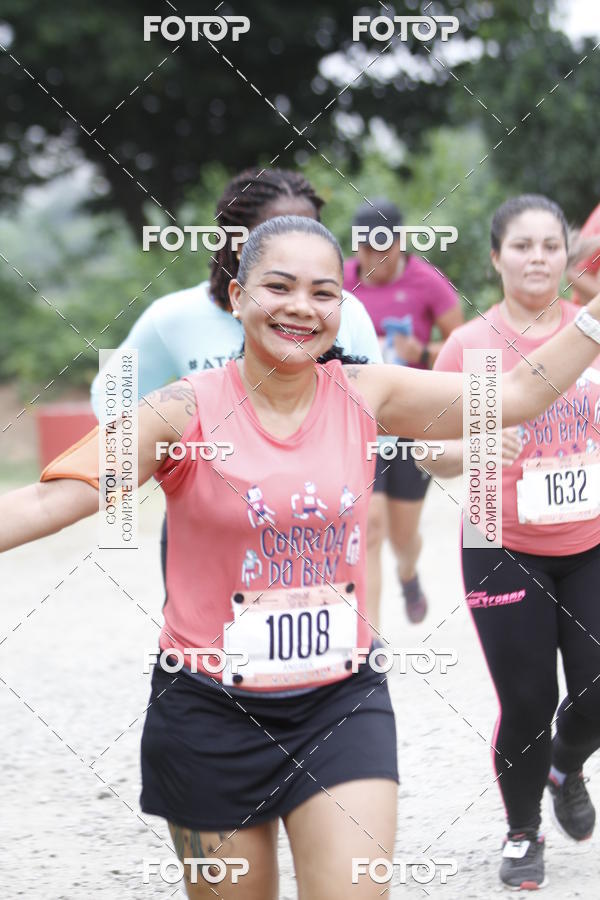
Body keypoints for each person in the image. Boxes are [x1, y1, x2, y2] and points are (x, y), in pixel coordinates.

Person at [3, 216, 600, 899]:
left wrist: (594, 314)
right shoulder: (180, 412)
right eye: (278, 287)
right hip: (208, 712)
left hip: (340, 706)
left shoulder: (368, 392)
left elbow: (519, 395)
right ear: (236, 297)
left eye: (322, 292)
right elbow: (48, 503)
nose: (301, 307)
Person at [90, 168, 382, 583]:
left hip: (317, 520)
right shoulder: (175, 317)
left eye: (306, 229)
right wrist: (167, 456)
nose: (292, 242)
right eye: (272, 230)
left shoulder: (341, 314)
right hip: (206, 526)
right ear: (233, 239)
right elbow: (111, 391)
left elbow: (380, 421)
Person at [430, 195, 600, 890]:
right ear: (495, 257)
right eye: (521, 246)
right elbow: (426, 452)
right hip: (498, 540)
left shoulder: (591, 334)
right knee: (526, 699)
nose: (537, 258)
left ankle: (566, 765)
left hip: (591, 536)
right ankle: (522, 830)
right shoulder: (470, 346)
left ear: (569, 257)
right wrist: (470, 444)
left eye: (550, 246)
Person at [343, 199, 463, 628]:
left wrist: (422, 352)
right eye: (366, 248)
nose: (375, 257)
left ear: (400, 243)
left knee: (402, 535)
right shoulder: (338, 280)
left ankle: (409, 574)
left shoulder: (426, 282)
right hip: (361, 421)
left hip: (412, 421)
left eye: (384, 247)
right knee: (369, 526)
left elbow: (461, 345)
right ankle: (370, 640)